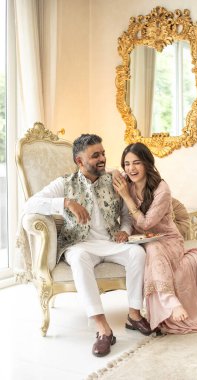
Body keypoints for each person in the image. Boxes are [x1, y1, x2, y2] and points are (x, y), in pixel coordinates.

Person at [23, 134, 152, 357]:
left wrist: (125, 230)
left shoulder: (114, 180)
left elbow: (126, 215)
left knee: (137, 253)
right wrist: (66, 202)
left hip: (111, 242)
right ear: (80, 161)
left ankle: (134, 315)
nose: (102, 158)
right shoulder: (64, 183)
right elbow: (30, 204)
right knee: (79, 257)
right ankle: (103, 329)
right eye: (95, 156)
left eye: (103, 153)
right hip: (80, 243)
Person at [113, 142, 197, 334]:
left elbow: (146, 224)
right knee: (148, 249)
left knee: (154, 249)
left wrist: (127, 198)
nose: (131, 168)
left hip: (168, 240)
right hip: (141, 240)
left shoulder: (162, 188)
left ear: (147, 163)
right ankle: (157, 307)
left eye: (136, 163)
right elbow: (111, 174)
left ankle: (171, 302)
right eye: (127, 164)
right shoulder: (126, 182)